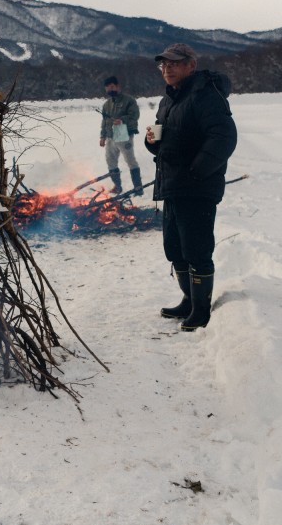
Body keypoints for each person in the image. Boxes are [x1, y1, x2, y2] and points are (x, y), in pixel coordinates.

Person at [143, 43, 237, 331]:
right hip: (172, 184)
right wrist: (152, 143)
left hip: (196, 187)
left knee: (196, 249)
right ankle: (188, 300)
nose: (167, 68)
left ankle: (201, 309)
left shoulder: (205, 94)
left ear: (190, 65)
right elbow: (166, 142)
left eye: (174, 63)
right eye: (164, 64)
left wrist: (198, 171)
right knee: (175, 248)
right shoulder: (168, 100)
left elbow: (224, 136)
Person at [98, 75, 143, 195]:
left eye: (112, 86)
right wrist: (102, 136)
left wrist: (122, 120)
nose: (109, 89)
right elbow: (104, 121)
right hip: (110, 135)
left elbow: (135, 115)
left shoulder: (129, 100)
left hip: (123, 132)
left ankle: (138, 188)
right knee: (110, 161)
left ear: (118, 86)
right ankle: (117, 187)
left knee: (130, 160)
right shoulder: (106, 104)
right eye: (107, 88)